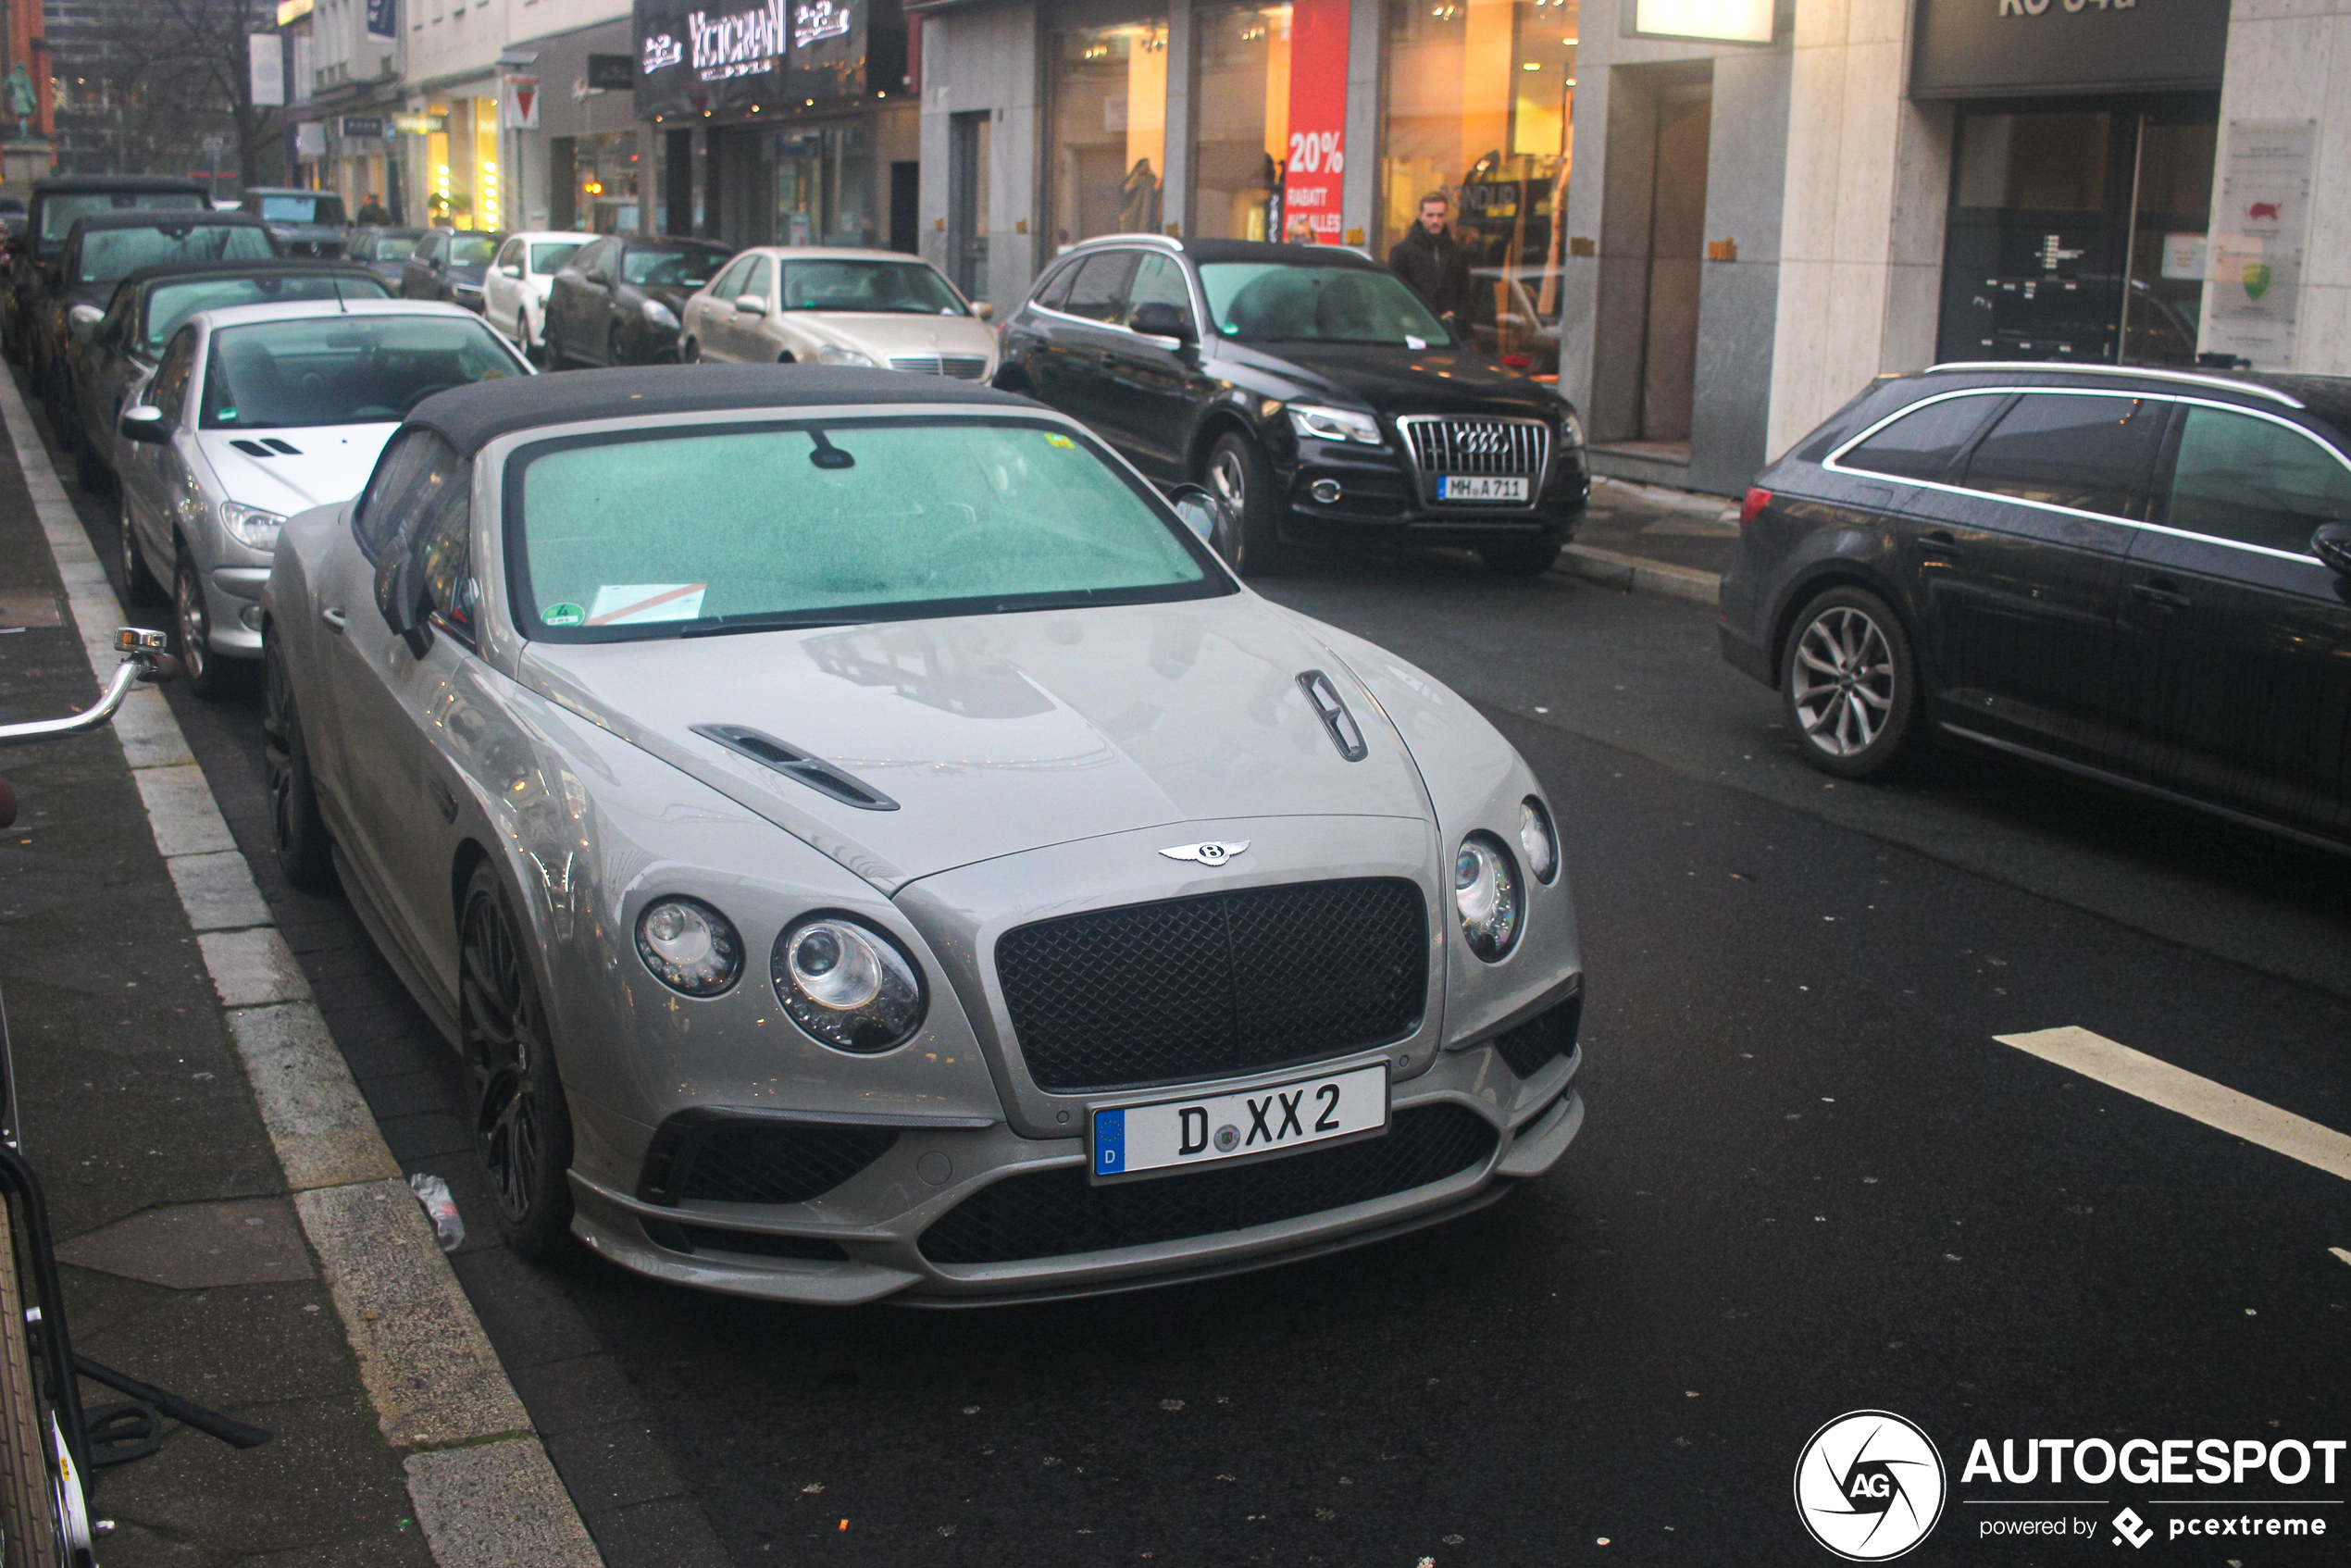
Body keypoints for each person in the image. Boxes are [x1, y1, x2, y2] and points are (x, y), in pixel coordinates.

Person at [1387, 191, 1472, 329]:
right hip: (1415, 327)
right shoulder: (1402, 251)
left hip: (1449, 329)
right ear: (1420, 216)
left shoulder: (1456, 251)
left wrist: (1458, 317)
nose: (1435, 221)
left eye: (1440, 215)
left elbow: (1464, 291)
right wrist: (1406, 320)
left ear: (1445, 217)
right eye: (1430, 215)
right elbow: (1394, 294)